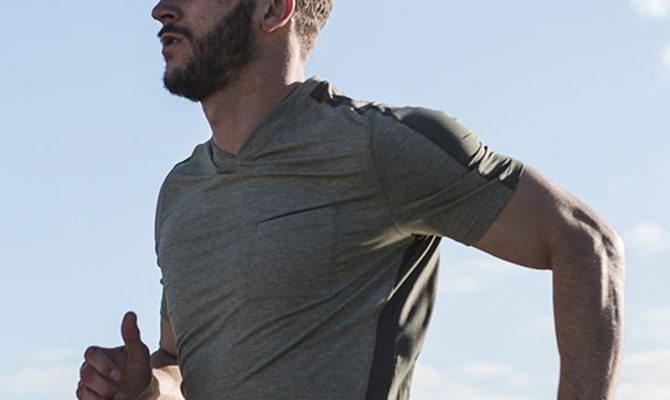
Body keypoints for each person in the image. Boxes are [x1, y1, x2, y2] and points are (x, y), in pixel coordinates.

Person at [76, 0, 626, 399]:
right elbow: (181, 364)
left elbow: (585, 243)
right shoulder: (180, 192)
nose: (161, 9)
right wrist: (147, 386)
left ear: (273, 10)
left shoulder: (378, 146)